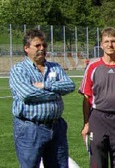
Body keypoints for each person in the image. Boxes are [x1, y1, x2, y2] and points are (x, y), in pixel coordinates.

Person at [9, 29, 75, 168]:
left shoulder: (55, 67)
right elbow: (27, 94)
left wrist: (45, 85)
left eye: (44, 45)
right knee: (29, 165)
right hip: (30, 128)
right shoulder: (19, 69)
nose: (42, 49)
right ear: (26, 48)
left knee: (60, 165)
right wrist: (56, 92)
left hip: (56, 127)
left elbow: (69, 85)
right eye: (37, 46)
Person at [79, 27, 115, 167]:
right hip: (98, 118)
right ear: (101, 44)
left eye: (113, 41)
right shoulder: (93, 67)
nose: (110, 45)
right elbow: (87, 98)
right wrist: (86, 123)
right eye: (106, 41)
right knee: (98, 162)